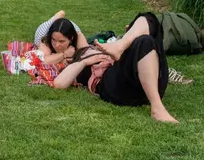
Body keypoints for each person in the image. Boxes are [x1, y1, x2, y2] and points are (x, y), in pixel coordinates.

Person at [41, 14, 177, 123]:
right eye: (53, 41)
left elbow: (77, 33)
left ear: (71, 39)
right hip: (114, 86)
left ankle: (121, 45)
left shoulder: (83, 48)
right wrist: (84, 62)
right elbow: (59, 84)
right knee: (144, 41)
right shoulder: (69, 65)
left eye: (61, 41)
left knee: (149, 20)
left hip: (142, 83)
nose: (57, 45)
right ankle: (157, 108)